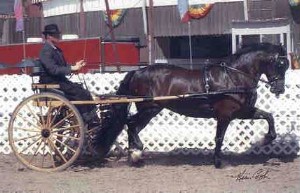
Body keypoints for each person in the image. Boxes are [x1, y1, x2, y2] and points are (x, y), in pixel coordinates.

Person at [39, 23, 99, 126]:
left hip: (59, 80)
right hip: (51, 81)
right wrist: (72, 68)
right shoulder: (46, 50)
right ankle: (87, 120)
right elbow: (53, 69)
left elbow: (63, 66)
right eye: (56, 34)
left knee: (83, 91)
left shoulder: (56, 50)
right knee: (78, 93)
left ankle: (92, 118)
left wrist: (75, 67)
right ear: (49, 36)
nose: (58, 36)